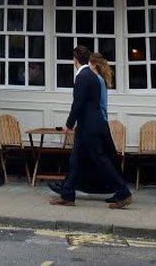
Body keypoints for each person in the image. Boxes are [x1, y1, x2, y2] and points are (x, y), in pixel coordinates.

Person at [49, 45, 132, 209]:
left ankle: (123, 192)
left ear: (74, 60)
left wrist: (68, 124)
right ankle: (67, 195)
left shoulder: (82, 77)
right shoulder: (93, 76)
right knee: (75, 160)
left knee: (100, 159)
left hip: (89, 126)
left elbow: (78, 104)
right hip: (92, 124)